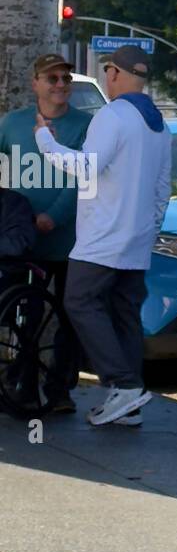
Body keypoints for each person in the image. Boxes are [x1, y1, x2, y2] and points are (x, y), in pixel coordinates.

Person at [35, 45, 172, 428]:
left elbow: (86, 167)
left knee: (78, 301)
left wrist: (45, 141)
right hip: (136, 240)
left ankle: (124, 385)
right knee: (125, 313)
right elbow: (163, 189)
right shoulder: (159, 123)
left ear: (113, 73)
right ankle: (129, 403)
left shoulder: (112, 116)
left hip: (102, 237)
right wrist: (147, 231)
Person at [0, 55, 91, 411]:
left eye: (65, 78)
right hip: (25, 242)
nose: (59, 85)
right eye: (51, 78)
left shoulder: (84, 126)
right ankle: (20, 383)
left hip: (70, 240)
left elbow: (83, 178)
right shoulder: (14, 124)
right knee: (27, 315)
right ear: (35, 83)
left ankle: (59, 390)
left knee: (70, 315)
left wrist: (53, 216)